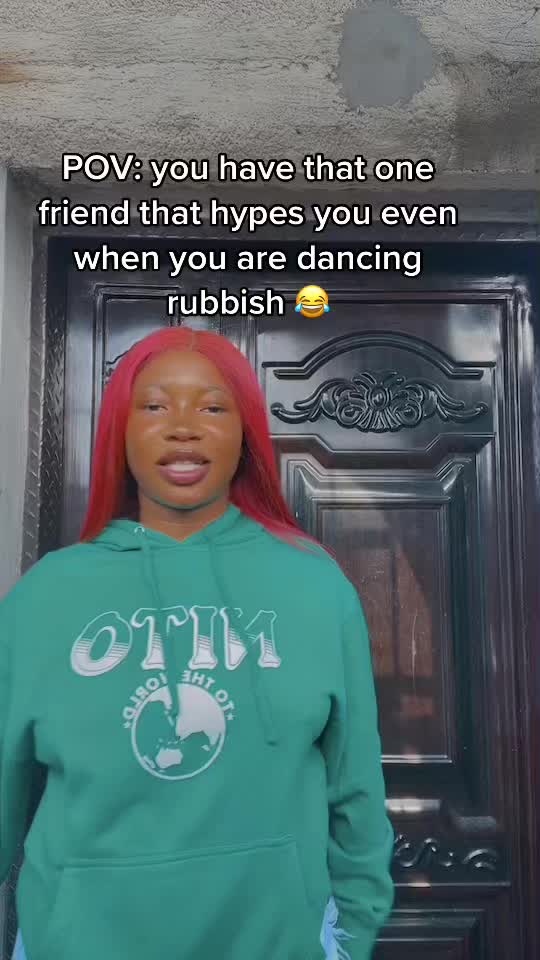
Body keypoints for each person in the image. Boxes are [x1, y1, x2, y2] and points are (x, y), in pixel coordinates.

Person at [0, 325, 394, 960]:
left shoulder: (314, 585)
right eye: (155, 406)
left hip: (274, 943)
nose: (183, 428)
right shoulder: (46, 596)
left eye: (212, 408)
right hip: (77, 940)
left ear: (245, 436)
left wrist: (353, 934)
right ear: (120, 431)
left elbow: (356, 787)